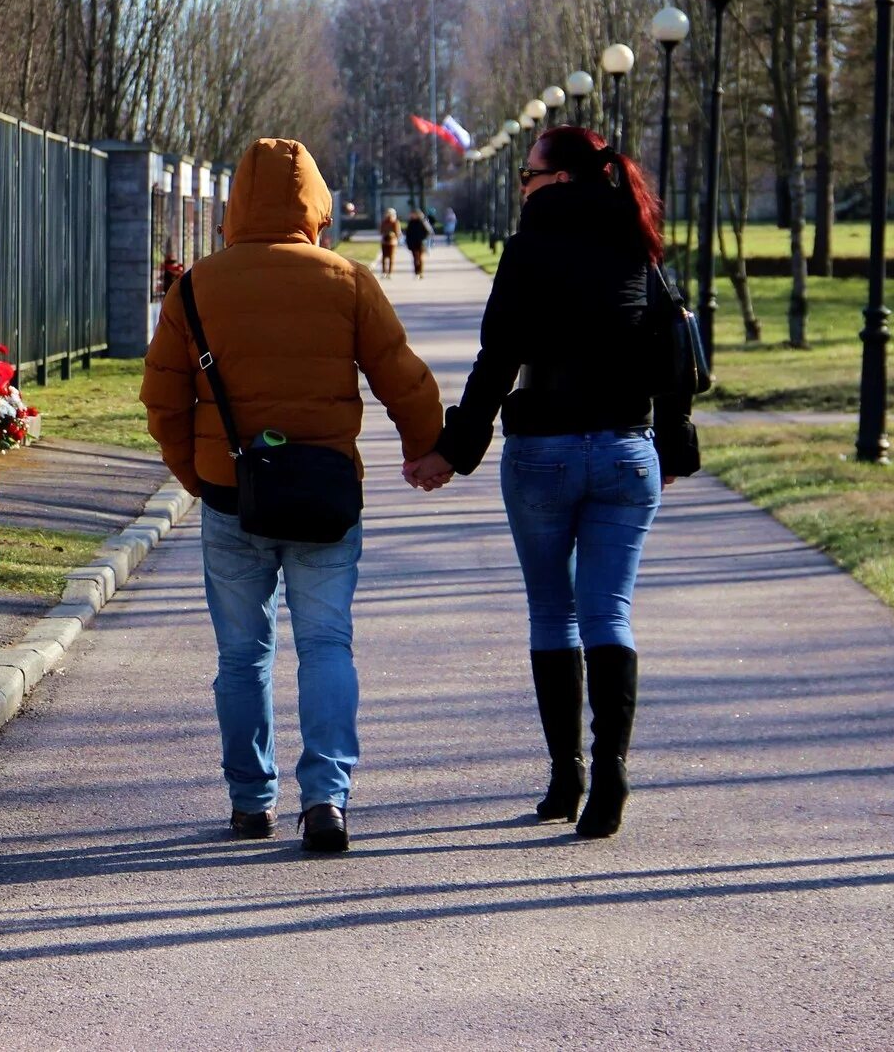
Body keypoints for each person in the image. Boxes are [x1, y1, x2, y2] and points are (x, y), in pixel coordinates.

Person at [141, 138, 444, 853]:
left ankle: (251, 800)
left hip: (229, 497)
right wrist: (425, 449)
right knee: (327, 644)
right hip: (326, 497)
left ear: (235, 206)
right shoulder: (348, 280)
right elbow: (404, 379)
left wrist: (201, 477)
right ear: (316, 205)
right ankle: (326, 799)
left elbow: (163, 402)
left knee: (242, 656)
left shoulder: (194, 289)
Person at [405, 126, 698, 839]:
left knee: (552, 613)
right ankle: (613, 770)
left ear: (560, 178)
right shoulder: (637, 240)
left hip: (543, 453)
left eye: (528, 175)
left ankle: (568, 774)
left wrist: (453, 450)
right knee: (609, 613)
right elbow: (670, 346)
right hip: (627, 453)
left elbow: (498, 355)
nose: (523, 187)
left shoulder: (530, 244)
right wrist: (670, 435)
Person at [404, 209, 431, 278]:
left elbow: (428, 232)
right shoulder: (411, 222)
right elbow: (407, 233)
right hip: (413, 243)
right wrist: (408, 241)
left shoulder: (422, 222)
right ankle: (416, 272)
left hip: (421, 243)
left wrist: (422, 238)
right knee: (415, 258)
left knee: (420, 258)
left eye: (414, 214)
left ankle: (420, 272)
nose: (412, 215)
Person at [378, 208, 401, 278]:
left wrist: (393, 235)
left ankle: (390, 272)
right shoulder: (384, 222)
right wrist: (385, 233)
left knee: (391, 257)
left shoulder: (395, 222)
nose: (388, 215)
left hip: (392, 242)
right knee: (384, 257)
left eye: (390, 214)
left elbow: (397, 232)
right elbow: (381, 231)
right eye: (387, 213)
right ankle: (384, 272)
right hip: (384, 241)